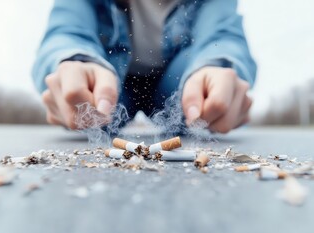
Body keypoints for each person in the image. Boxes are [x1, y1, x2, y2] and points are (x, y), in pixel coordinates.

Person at [32, 0, 257, 133]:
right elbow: (65, 31)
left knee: (191, 95)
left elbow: (223, 36)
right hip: (113, 84)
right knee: (99, 109)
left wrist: (216, 68)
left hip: (176, 85)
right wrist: (75, 62)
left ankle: (199, 87)